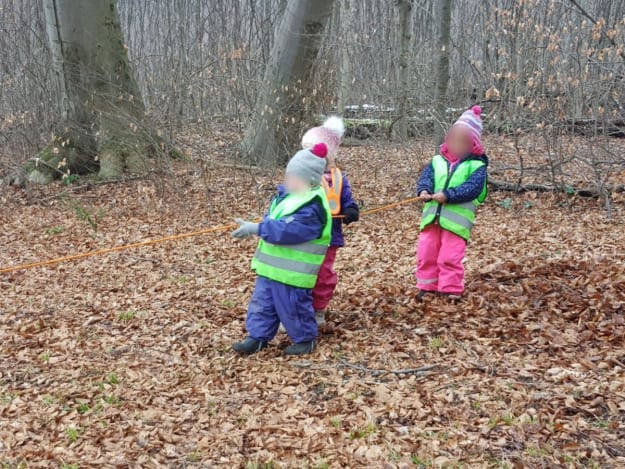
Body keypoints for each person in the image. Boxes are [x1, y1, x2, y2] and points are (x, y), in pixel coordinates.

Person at [231, 143, 332, 355]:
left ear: (309, 180)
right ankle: (257, 337)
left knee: (293, 308)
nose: (288, 181)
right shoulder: (287, 196)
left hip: (293, 274)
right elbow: (275, 221)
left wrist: (257, 228)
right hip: (270, 269)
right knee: (262, 305)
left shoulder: (312, 204)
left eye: (294, 177)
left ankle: (305, 340)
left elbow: (290, 230)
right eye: (289, 176)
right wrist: (259, 226)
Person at [416, 106, 488, 299]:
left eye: (461, 141)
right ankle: (427, 287)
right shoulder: (437, 161)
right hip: (431, 220)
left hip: (456, 225)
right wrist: (424, 190)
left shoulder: (477, 166)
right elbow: (426, 178)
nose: (456, 144)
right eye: (453, 139)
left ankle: (451, 288)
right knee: (426, 253)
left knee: (449, 257)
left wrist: (449, 195)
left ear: (472, 144)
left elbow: (472, 189)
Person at [301, 117, 359, 325]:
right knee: (302, 273)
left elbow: (346, 199)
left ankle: (318, 309)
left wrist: (351, 209)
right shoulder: (302, 175)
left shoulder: (338, 178)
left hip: (330, 237)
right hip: (305, 236)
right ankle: (298, 309)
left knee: (323, 274)